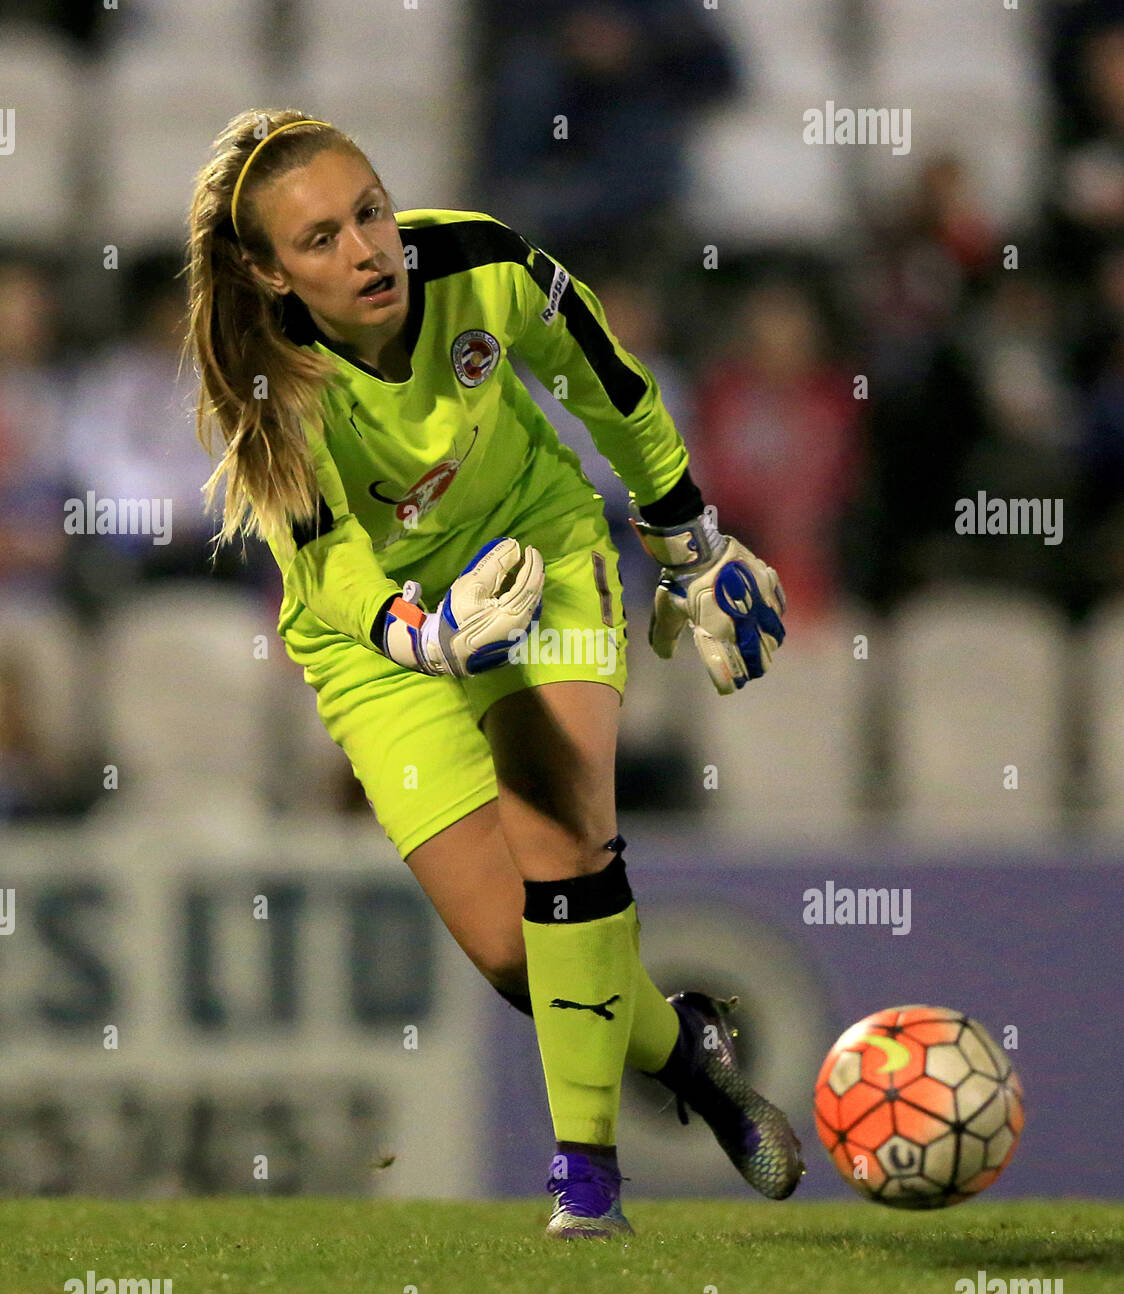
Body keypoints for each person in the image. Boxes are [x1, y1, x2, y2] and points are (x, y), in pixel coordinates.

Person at [182, 109, 801, 1237]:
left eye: (368, 211)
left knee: (560, 834)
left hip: (538, 553)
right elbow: (331, 574)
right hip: (379, 644)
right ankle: (691, 1054)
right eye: (319, 240)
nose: (365, 250)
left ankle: (585, 1182)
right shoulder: (269, 383)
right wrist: (425, 633)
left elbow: (609, 387)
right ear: (270, 273)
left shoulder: (483, 262)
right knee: (521, 958)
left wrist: (688, 544)